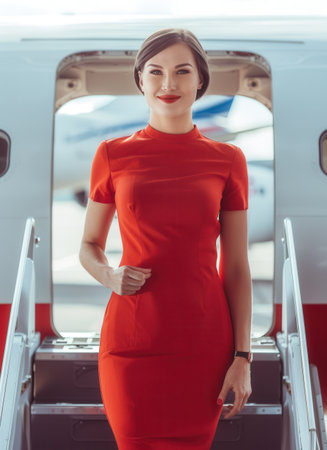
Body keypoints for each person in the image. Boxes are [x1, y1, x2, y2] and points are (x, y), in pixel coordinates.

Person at [79, 27, 252, 450]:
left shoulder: (228, 160)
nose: (169, 84)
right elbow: (88, 246)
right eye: (155, 72)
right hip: (131, 341)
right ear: (141, 80)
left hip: (204, 343)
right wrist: (109, 276)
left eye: (182, 71)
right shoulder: (112, 154)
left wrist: (243, 358)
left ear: (200, 80)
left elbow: (235, 266)